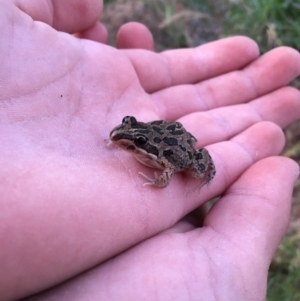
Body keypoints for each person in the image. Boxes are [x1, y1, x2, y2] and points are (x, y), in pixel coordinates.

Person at [1, 1, 300, 300]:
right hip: (166, 131)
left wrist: (160, 181)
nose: (127, 138)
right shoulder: (132, 139)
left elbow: (168, 172)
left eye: (137, 142)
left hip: (180, 152)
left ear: (144, 147)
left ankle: (207, 173)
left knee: (196, 170)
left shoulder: (159, 159)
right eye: (127, 126)